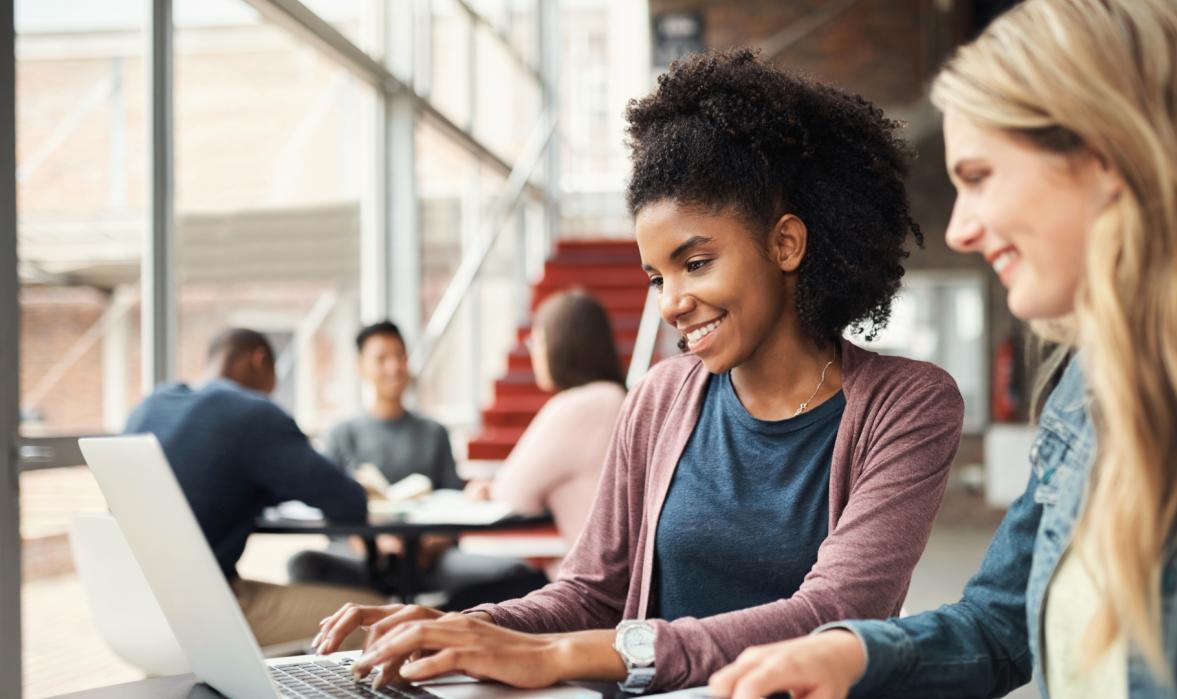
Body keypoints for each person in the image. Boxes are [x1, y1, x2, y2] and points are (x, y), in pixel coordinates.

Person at [314, 48, 966, 693]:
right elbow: (590, 591)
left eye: (697, 262)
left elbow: (831, 615)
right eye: (657, 276)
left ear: (785, 243)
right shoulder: (660, 396)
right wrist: (461, 627)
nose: (671, 302)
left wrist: (566, 655)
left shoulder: (907, 404)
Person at [707, 2, 1177, 698]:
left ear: (1109, 152)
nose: (959, 228)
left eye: (980, 175)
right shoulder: (1091, 383)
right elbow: (999, 624)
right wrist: (852, 656)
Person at [123, 328, 386, 648]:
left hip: (134, 607)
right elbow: (348, 501)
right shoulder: (251, 413)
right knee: (377, 616)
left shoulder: (150, 406)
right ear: (259, 360)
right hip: (208, 610)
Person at [287, 320, 546, 610]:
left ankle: (441, 625)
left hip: (429, 560)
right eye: (381, 358)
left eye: (400, 356)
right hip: (361, 558)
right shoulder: (341, 434)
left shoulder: (433, 432)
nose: (394, 367)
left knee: (516, 574)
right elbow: (330, 516)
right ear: (361, 367)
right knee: (303, 564)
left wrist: (429, 544)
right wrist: (371, 543)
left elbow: (455, 506)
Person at [465, 289, 628, 558]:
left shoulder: (578, 405)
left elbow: (512, 494)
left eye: (537, 341)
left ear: (561, 344)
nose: (533, 353)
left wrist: (488, 489)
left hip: (597, 582)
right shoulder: (616, 397)